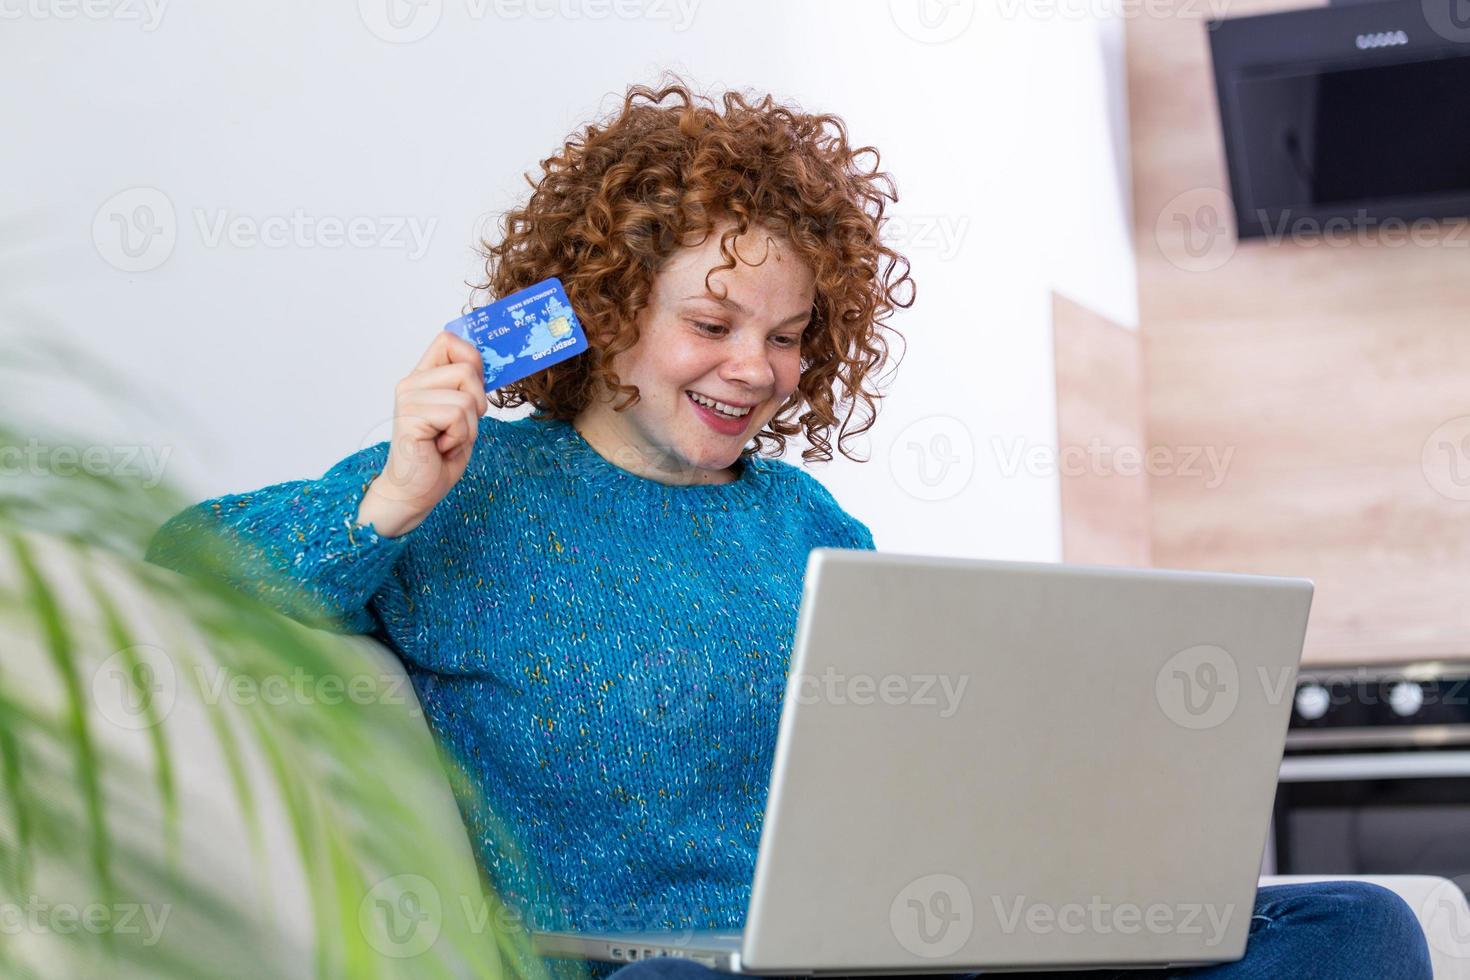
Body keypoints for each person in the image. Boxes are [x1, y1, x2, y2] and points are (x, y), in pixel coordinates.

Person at [145, 76, 1431, 980]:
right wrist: (392, 503)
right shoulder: (465, 489)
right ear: (605, 308)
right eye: (712, 326)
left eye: (789, 334)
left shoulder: (809, 519)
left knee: (1356, 927)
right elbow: (177, 567)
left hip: (905, 941)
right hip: (664, 968)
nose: (756, 368)